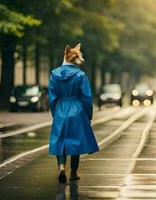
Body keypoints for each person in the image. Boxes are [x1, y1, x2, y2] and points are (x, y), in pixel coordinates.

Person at [48, 43, 99, 184]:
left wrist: (55, 113)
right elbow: (87, 98)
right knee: (75, 141)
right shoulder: (81, 75)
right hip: (77, 110)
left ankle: (61, 167)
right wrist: (88, 115)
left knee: (60, 140)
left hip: (60, 109)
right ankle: (74, 172)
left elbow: (52, 98)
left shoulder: (54, 74)